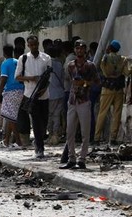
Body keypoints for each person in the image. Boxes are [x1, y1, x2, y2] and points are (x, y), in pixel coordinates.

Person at [61, 40, 100, 169]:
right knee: (70, 131)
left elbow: (96, 82)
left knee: (85, 132)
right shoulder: (70, 65)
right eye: (77, 48)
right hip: (72, 100)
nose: (79, 51)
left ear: (85, 50)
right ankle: (71, 159)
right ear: (75, 50)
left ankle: (82, 159)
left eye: (82, 48)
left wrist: (83, 83)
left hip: (84, 100)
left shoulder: (90, 66)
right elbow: (70, 81)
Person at [15, 35, 53, 159]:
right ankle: (40, 148)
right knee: (36, 122)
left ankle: (39, 141)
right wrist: (32, 78)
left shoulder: (46, 58)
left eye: (35, 44)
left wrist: (44, 88)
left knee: (44, 122)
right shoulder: (24, 58)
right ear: (28, 46)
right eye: (31, 45)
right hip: (30, 95)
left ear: (38, 44)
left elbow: (49, 77)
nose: (33, 47)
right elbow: (18, 76)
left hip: (44, 95)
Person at [95, 39, 127, 145]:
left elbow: (102, 69)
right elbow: (127, 72)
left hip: (107, 89)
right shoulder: (123, 59)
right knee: (117, 114)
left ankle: (97, 138)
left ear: (110, 48)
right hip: (118, 90)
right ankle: (113, 138)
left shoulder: (105, 57)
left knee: (102, 113)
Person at [0, 45, 24, 147]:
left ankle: (18, 141)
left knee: (10, 117)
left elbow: (3, 80)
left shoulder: (5, 64)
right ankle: (6, 140)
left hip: (10, 91)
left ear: (4, 53)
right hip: (21, 90)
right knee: (9, 116)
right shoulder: (17, 62)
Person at [46, 43, 66, 145]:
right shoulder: (60, 64)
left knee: (50, 115)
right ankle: (56, 135)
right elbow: (62, 78)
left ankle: (51, 135)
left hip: (50, 93)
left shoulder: (46, 65)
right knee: (57, 115)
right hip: (60, 92)